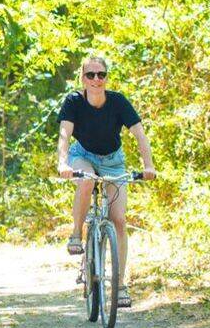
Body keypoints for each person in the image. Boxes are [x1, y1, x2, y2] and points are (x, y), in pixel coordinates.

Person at [56, 55, 156, 308]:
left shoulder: (118, 102)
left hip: (113, 161)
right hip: (84, 156)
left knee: (119, 220)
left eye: (101, 75)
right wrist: (63, 163)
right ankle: (77, 233)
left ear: (106, 77)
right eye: (91, 75)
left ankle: (120, 285)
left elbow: (140, 135)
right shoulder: (74, 101)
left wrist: (148, 166)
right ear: (83, 78)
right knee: (86, 181)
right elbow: (65, 134)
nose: (96, 80)